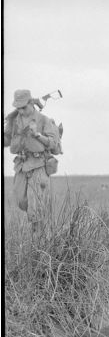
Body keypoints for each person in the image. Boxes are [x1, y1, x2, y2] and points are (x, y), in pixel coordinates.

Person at [3, 89, 59, 231]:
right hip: (21, 165)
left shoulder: (43, 119)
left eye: (23, 107)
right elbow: (7, 141)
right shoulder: (13, 120)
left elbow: (53, 143)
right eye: (18, 108)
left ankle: (38, 238)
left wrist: (37, 135)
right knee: (21, 201)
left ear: (31, 103)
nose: (20, 111)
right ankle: (40, 216)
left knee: (35, 205)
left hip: (39, 164)